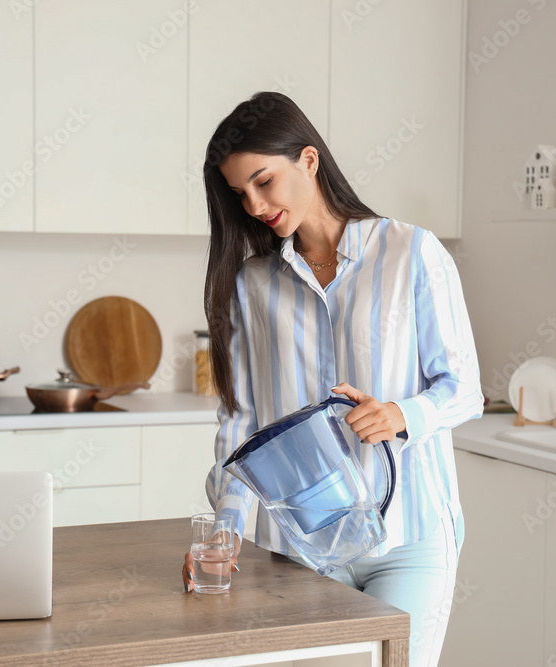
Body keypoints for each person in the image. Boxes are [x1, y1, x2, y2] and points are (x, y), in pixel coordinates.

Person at [181, 91, 483, 667]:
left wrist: (401, 415)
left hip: (408, 539)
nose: (254, 205)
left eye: (264, 182)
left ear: (310, 160)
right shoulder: (254, 284)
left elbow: (464, 387)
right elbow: (244, 421)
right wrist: (226, 529)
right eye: (240, 194)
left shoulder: (411, 253)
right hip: (300, 547)